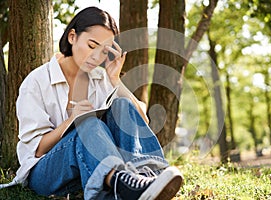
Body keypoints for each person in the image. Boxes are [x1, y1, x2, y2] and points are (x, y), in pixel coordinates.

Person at [4, 6, 183, 200]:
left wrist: (115, 80)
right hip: (45, 172)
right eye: (92, 46)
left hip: (88, 168)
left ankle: (146, 179)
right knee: (88, 123)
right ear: (72, 36)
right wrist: (71, 121)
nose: (97, 57)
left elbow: (141, 119)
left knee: (121, 106)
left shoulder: (101, 78)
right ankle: (123, 184)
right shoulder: (37, 81)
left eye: (104, 51)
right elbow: (37, 149)